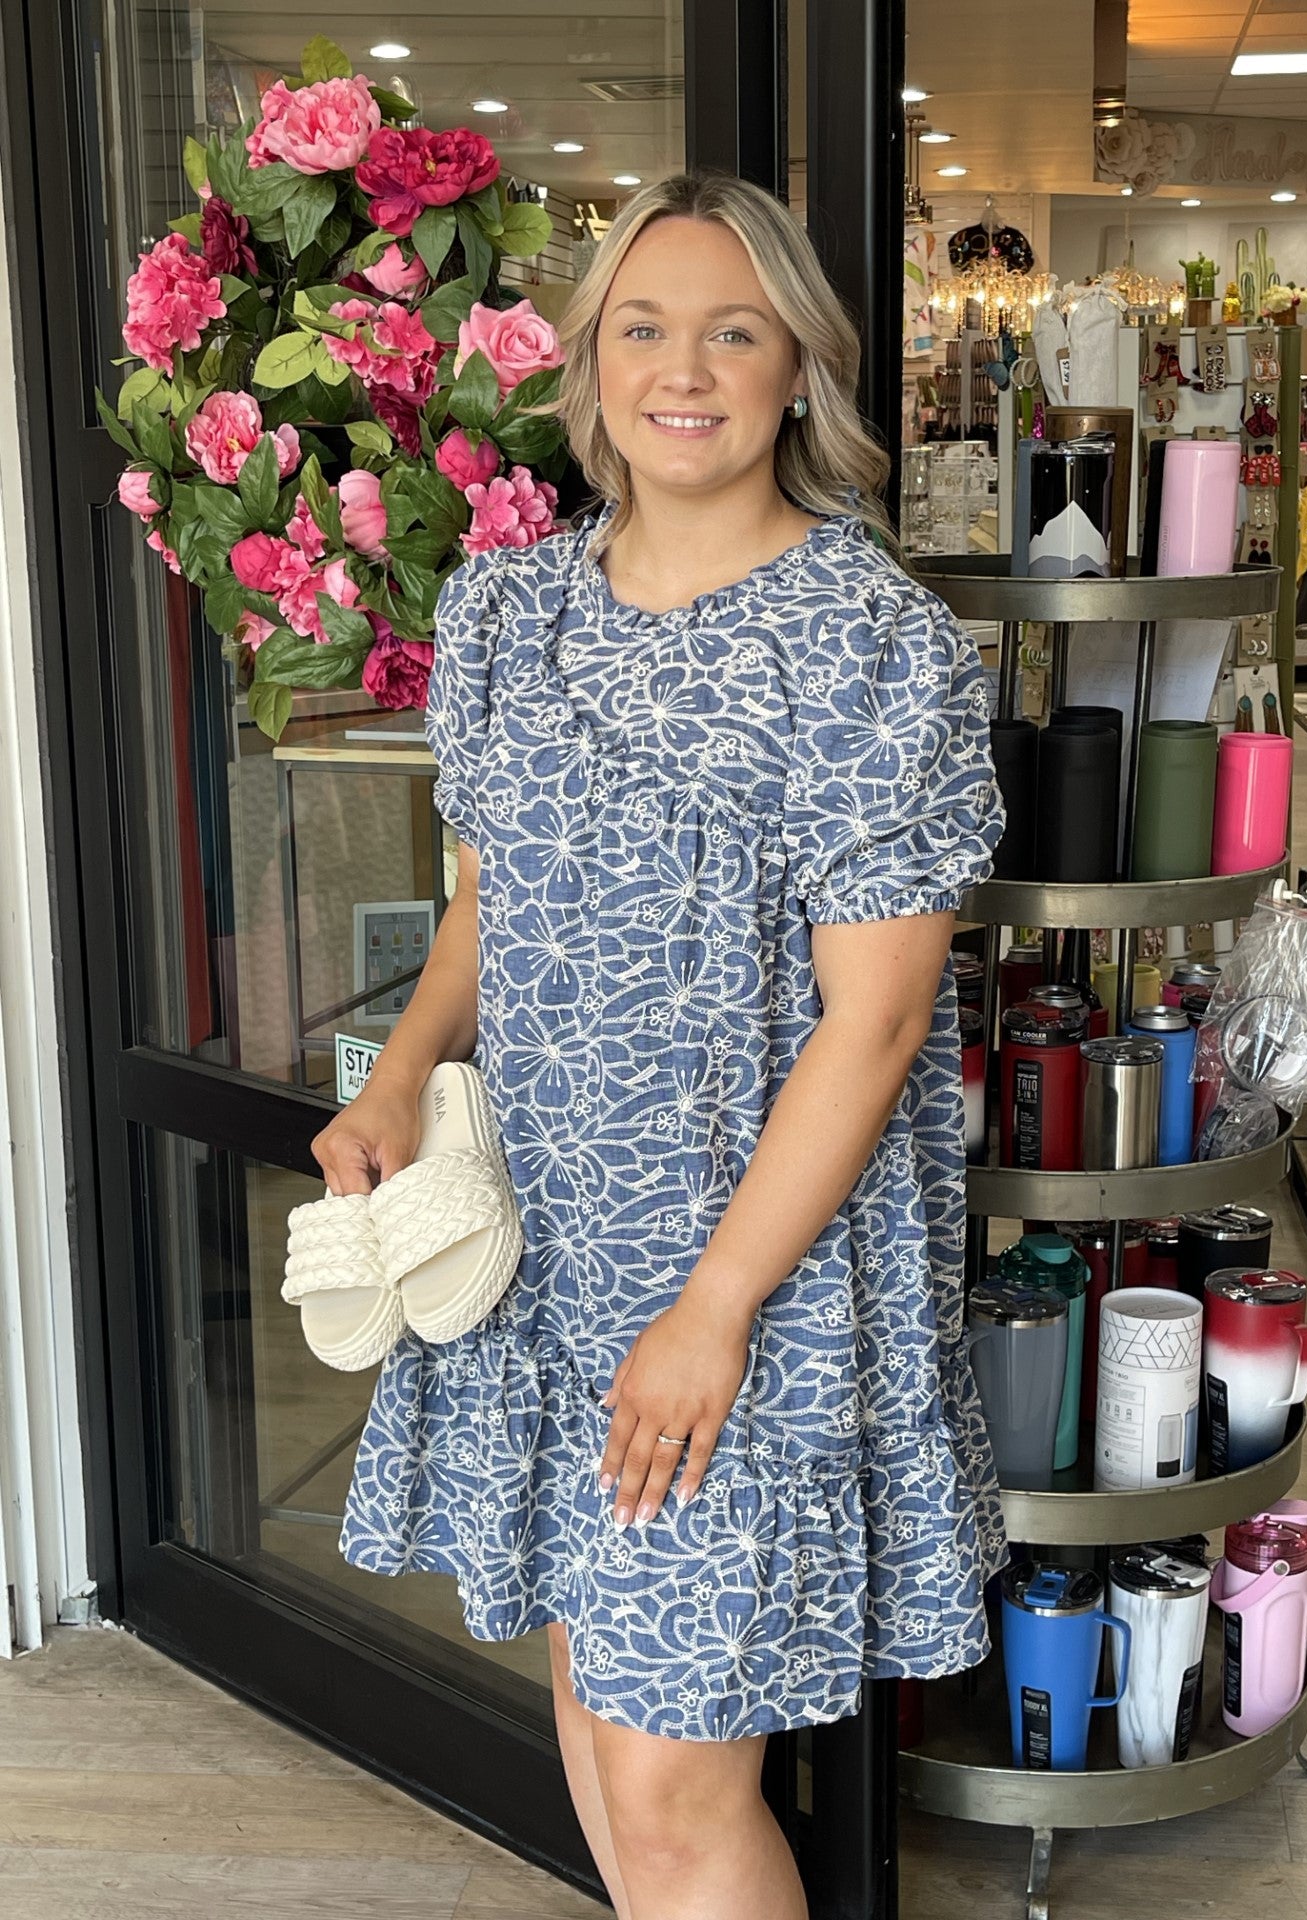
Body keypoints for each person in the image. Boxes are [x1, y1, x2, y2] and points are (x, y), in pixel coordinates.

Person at [315, 168, 1006, 1920]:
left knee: (679, 1781)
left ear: (799, 370)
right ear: (591, 364)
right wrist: (401, 1078)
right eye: (642, 326)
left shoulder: (871, 646)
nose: (681, 369)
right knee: (599, 1701)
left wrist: (711, 1313)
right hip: (542, 1247)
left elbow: (883, 1020)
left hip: (743, 1272)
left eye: (732, 331)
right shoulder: (508, 616)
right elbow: (500, 893)